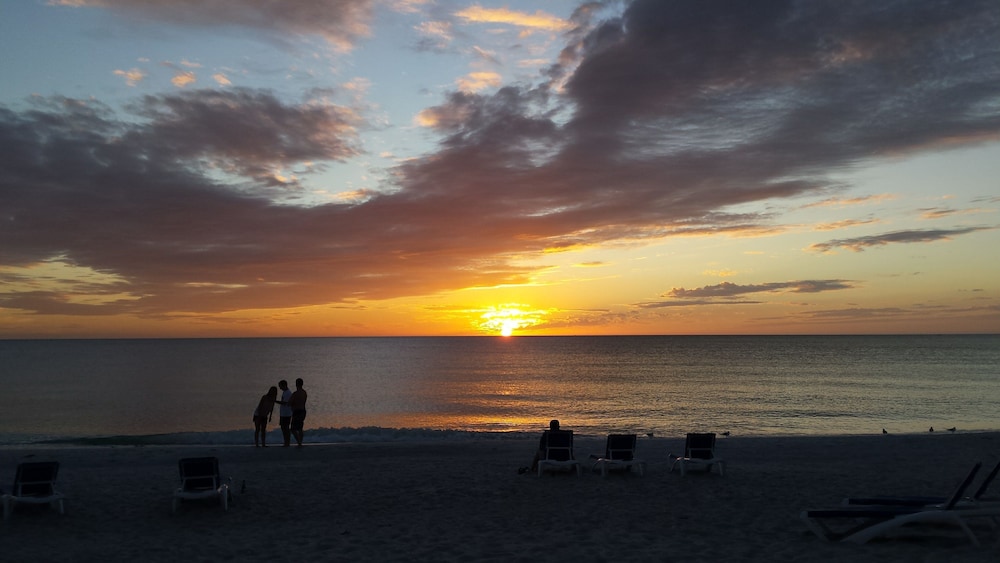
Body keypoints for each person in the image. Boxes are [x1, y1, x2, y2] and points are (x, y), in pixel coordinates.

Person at [289, 378, 308, 447]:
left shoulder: (295, 393)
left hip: (297, 411)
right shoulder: (304, 393)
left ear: (296, 384)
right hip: (303, 410)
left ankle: (299, 442)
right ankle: (300, 441)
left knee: (293, 429)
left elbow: (290, 402)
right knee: (300, 428)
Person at [276, 380, 293, 447]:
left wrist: (275, 401)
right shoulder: (285, 392)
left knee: (285, 428)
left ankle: (287, 442)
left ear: (284, 385)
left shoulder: (288, 393)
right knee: (283, 428)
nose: (280, 388)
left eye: (280, 386)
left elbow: (284, 403)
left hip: (286, 413)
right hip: (284, 413)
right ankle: (286, 441)